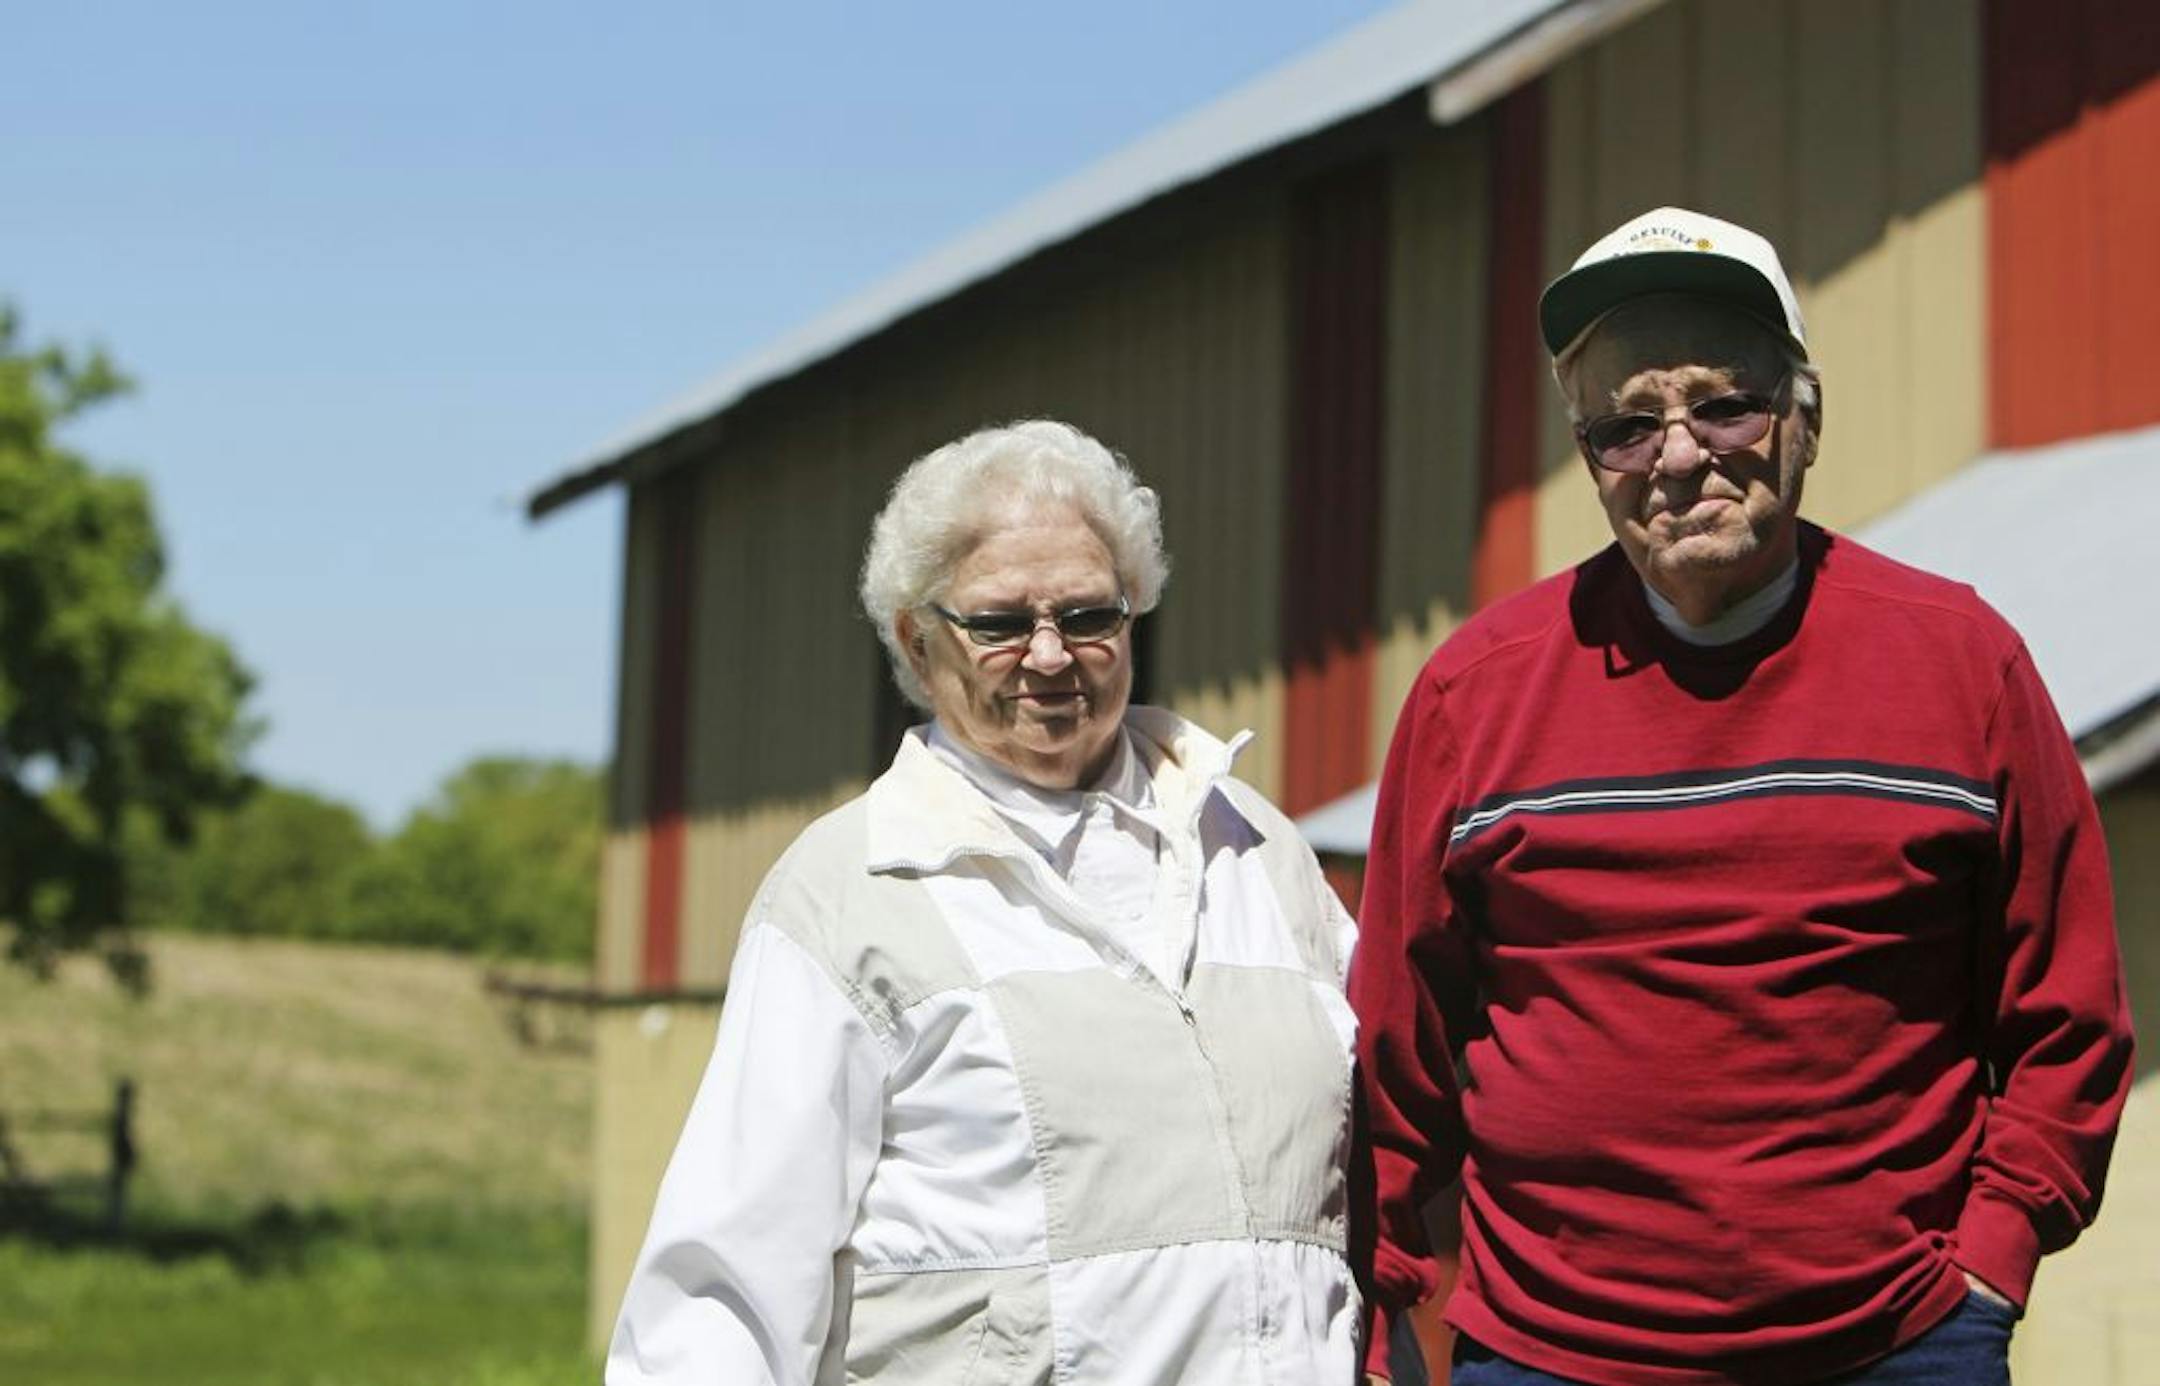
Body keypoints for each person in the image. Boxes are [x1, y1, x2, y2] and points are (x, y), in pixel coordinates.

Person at [1352, 208, 2133, 1385]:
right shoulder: (1478, 691)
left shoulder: (1963, 664)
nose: (1677, 457)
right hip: (1552, 1355)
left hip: (1897, 1345)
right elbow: (1392, 1052)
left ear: (1805, 419)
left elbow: (2066, 1017)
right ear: (1590, 457)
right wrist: (1380, 1317)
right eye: (1626, 426)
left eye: (1724, 405)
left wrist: (1992, 1262)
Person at [608, 419, 1363, 1385]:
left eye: (1087, 616)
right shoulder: (847, 891)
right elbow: (728, 1285)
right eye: (1001, 624)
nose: (1050, 656)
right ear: (918, 645)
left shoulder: (1256, 848)